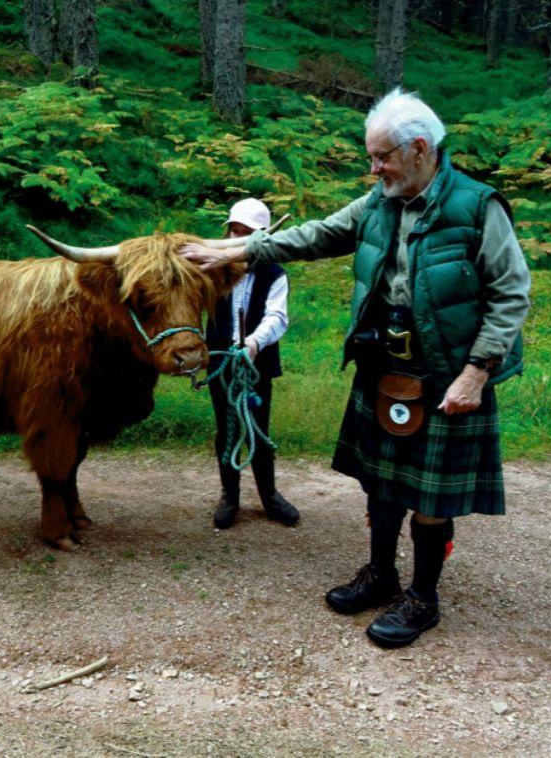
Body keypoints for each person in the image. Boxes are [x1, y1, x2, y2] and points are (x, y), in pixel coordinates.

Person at [181, 88, 531, 648]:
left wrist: (478, 370)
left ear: (419, 148)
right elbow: (314, 235)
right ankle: (382, 574)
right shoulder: (379, 202)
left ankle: (422, 597)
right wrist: (236, 252)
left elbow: (511, 294)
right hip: (382, 362)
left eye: (381, 157)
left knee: (431, 497)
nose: (374, 167)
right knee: (381, 482)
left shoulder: (476, 206)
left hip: (447, 370)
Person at [206, 198, 300, 530]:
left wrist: (254, 342)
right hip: (220, 362)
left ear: (261, 236)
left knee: (258, 428)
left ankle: (269, 496)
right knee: (227, 429)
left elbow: (278, 317)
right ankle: (229, 496)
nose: (237, 236)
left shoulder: (274, 273)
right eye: (234, 229)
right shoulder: (213, 271)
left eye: (246, 231)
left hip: (255, 365)